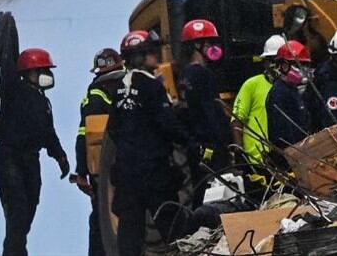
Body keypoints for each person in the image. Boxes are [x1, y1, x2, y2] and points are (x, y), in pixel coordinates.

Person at [108, 30, 191, 256]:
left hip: (126, 171)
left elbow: (113, 129)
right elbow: (167, 124)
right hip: (153, 170)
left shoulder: (119, 89)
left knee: (130, 229)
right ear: (140, 56)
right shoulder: (152, 87)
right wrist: (188, 139)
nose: (157, 55)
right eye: (152, 51)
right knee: (171, 221)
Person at [0, 47, 70, 256]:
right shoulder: (15, 93)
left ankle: (17, 251)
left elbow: (48, 131)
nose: (46, 75)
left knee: (29, 206)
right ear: (28, 73)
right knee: (17, 210)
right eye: (41, 71)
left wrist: (60, 156)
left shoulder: (41, 101)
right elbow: (6, 74)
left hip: (30, 158)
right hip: (11, 158)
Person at [72, 48, 125, 256]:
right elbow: (84, 135)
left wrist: (81, 171)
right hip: (104, 167)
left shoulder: (95, 95)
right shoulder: (97, 98)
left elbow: (82, 136)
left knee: (103, 216)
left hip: (105, 166)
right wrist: (82, 171)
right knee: (103, 217)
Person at [176, 19, 232, 206]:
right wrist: (225, 139)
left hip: (196, 144)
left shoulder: (185, 75)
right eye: (208, 43)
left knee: (200, 188)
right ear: (196, 45)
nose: (212, 47)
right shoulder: (202, 75)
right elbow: (211, 111)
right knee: (217, 189)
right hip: (210, 144)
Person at [231, 35, 286, 165]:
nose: (274, 65)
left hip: (284, 158)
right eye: (270, 60)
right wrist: (239, 150)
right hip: (256, 160)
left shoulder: (290, 89)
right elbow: (237, 119)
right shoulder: (252, 85)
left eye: (278, 60)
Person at [266, 40, 313, 148]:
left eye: (305, 64)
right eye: (298, 64)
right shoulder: (279, 93)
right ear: (284, 66)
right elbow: (282, 134)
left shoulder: (293, 90)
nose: (303, 69)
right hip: (291, 154)